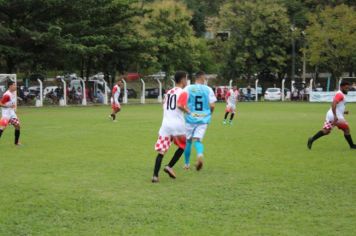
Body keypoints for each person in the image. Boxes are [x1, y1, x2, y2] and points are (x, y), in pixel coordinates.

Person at [152, 71, 189, 183]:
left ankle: (155, 176)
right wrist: (188, 111)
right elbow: (180, 105)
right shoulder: (183, 92)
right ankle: (169, 166)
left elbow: (163, 105)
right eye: (186, 79)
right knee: (183, 146)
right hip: (177, 124)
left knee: (162, 151)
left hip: (166, 124)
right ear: (182, 80)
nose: (186, 81)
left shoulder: (168, 92)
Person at [308, 81, 356, 150]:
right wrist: (335, 116)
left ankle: (312, 139)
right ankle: (352, 146)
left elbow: (338, 106)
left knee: (326, 131)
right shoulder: (340, 95)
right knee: (346, 129)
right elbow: (333, 104)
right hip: (335, 117)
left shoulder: (340, 94)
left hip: (332, 115)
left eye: (348, 88)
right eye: (346, 88)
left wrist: (344, 112)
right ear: (341, 87)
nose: (347, 89)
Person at [184, 71, 217, 170]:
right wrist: (209, 113)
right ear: (202, 78)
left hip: (190, 118)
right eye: (205, 78)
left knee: (188, 141)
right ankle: (199, 154)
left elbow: (183, 102)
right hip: (203, 119)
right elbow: (212, 105)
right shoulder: (208, 89)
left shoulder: (188, 88)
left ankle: (186, 164)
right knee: (198, 140)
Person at [0, 81, 21, 146]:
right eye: (14, 85)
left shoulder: (14, 92)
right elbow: (0, 104)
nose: (15, 86)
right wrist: (8, 106)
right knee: (2, 127)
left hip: (12, 113)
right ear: (10, 86)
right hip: (6, 114)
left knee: (17, 126)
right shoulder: (7, 95)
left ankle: (16, 143)